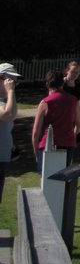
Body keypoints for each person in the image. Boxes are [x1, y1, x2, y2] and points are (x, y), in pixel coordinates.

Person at [31, 70, 80, 171]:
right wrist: (73, 134)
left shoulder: (45, 103)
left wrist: (36, 151)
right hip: (67, 143)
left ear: (47, 84)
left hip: (48, 144)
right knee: (63, 177)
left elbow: (36, 132)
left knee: (47, 178)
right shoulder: (73, 100)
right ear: (62, 83)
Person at [0, 62, 20, 203]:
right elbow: (7, 115)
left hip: (3, 156)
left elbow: (10, 118)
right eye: (9, 79)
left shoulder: (6, 100)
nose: (12, 83)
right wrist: (11, 91)